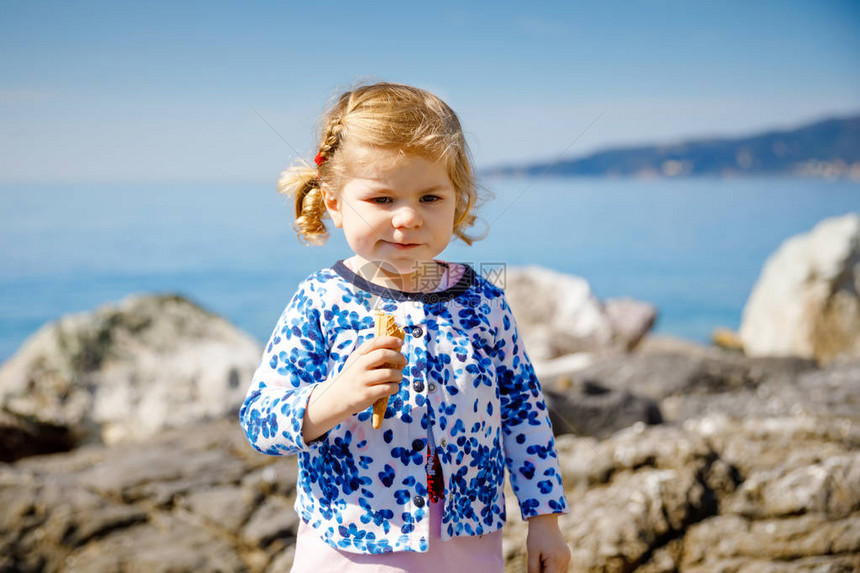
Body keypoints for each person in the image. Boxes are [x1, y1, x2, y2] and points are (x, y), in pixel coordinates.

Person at [238, 81, 571, 573]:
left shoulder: (485, 302)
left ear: (459, 199)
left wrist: (544, 520)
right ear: (333, 202)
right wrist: (336, 397)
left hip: (469, 538)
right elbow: (260, 421)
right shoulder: (321, 300)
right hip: (352, 543)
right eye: (382, 199)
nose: (409, 217)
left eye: (431, 196)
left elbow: (524, 413)